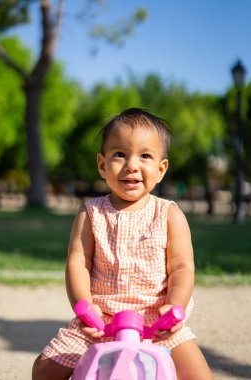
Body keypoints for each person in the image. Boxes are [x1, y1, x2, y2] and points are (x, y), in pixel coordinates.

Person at [32, 108, 214, 380]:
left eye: (145, 156)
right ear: (102, 165)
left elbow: (182, 267)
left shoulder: (169, 214)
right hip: (100, 322)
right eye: (119, 154)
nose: (131, 165)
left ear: (161, 169)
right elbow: (78, 262)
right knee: (44, 369)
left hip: (157, 324)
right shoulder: (90, 212)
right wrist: (84, 305)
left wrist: (174, 306)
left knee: (200, 376)